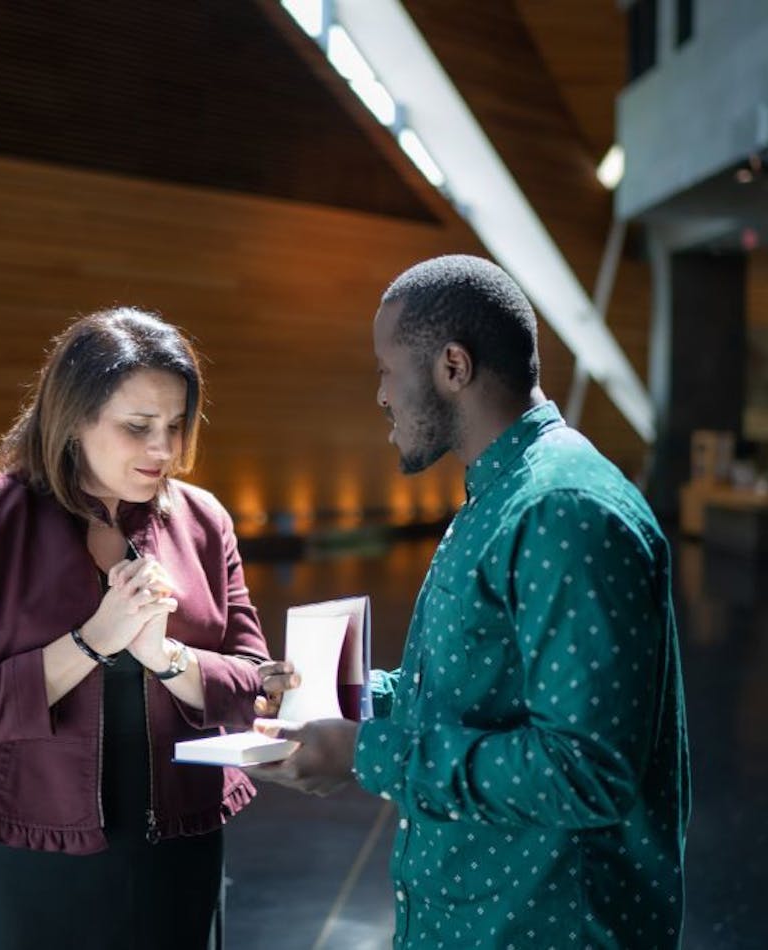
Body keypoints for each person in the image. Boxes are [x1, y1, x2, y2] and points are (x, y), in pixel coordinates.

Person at [253, 255, 691, 948]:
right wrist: (350, 695)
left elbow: (586, 773)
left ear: (452, 367)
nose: (381, 396)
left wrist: (364, 753)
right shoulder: (502, 493)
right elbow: (478, 693)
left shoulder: (563, 507)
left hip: (543, 927)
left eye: (386, 370)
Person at [0, 307, 270, 949]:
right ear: (74, 418)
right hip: (23, 848)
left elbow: (255, 688)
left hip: (175, 845)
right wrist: (90, 643)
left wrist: (168, 657)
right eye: (137, 428)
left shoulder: (203, 520)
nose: (163, 450)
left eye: (175, 425)